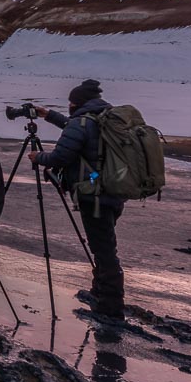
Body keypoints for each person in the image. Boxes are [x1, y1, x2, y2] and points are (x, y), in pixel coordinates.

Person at [28, 79, 126, 318]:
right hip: (113, 190)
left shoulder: (83, 122)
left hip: (94, 195)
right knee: (104, 244)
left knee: (103, 249)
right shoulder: (104, 118)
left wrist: (37, 157)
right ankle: (100, 291)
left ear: (78, 103)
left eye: (71, 102)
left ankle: (110, 306)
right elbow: (76, 128)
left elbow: (60, 156)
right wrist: (49, 115)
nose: (69, 105)